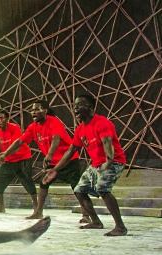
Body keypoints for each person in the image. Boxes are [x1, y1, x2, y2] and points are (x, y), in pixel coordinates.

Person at [44, 94, 127, 236]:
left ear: (91, 108)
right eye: (75, 105)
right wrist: (55, 169)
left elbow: (107, 141)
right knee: (79, 189)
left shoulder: (102, 122)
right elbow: (71, 151)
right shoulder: (80, 130)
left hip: (114, 161)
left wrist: (109, 160)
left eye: (80, 104)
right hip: (96, 164)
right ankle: (96, 221)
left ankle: (120, 227)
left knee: (103, 189)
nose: (76, 108)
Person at [0, 100, 90, 222]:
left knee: (77, 188)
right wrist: (5, 154)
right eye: (32, 110)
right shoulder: (33, 127)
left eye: (37, 109)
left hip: (68, 161)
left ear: (45, 110)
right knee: (43, 184)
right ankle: (38, 212)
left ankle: (86, 215)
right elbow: (19, 141)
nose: (33, 112)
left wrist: (49, 153)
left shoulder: (54, 122)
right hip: (53, 164)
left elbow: (56, 138)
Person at [0, 109, 38, 213]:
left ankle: (37, 208)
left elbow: (16, 147)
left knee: (27, 181)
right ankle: (1, 207)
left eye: (1, 118)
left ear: (6, 119)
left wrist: (0, 155)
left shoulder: (14, 128)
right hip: (8, 160)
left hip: (22, 158)